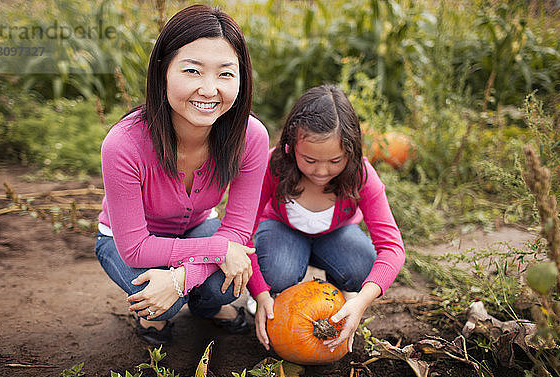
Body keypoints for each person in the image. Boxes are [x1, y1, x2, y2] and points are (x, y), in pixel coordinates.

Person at [94, 4, 270, 345]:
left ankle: (206, 306)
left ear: (242, 78)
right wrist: (219, 250)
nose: (209, 89)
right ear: (163, 70)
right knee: (162, 303)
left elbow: (236, 230)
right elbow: (135, 249)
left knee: (218, 289)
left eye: (225, 73)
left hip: (198, 228)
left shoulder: (251, 137)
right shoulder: (123, 144)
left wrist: (180, 279)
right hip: (124, 241)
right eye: (192, 71)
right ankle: (155, 316)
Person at [250, 85, 405, 354]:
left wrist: (362, 300)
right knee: (278, 271)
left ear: (351, 152)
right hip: (281, 230)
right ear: (290, 147)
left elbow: (392, 248)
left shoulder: (361, 175)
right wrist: (260, 292)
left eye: (335, 161)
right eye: (309, 160)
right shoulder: (272, 165)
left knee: (362, 265)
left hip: (336, 235)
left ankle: (340, 294)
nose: (321, 171)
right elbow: (241, 234)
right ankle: (273, 297)